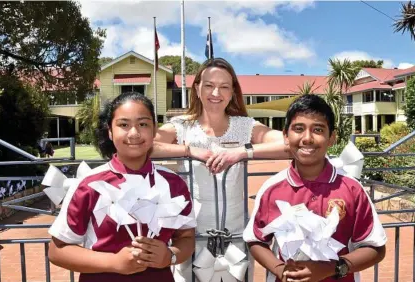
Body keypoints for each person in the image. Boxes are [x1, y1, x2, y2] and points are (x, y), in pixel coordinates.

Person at [153, 58, 291, 281]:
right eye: (208, 85)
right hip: (190, 238)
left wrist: (241, 152)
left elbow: (289, 145)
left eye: (224, 86)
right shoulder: (181, 126)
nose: (215, 92)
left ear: (233, 92)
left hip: (235, 237)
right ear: (197, 87)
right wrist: (189, 150)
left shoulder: (245, 126)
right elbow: (143, 145)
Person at [47, 92, 196, 282]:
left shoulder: (173, 183)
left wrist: (170, 256)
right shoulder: (90, 185)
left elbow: (186, 238)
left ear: (153, 130)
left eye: (143, 124)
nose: (134, 133)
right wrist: (114, 263)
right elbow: (57, 250)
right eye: (123, 125)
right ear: (110, 131)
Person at [243, 94, 387, 282]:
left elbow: (376, 248)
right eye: (298, 129)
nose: (307, 138)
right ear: (286, 136)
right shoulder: (272, 189)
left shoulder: (352, 189)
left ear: (331, 138)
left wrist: (334, 268)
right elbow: (256, 240)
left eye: (318, 129)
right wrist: (280, 270)